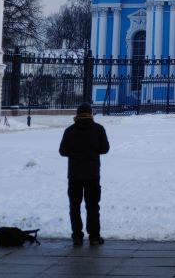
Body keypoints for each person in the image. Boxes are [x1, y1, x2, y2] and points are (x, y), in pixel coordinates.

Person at [59, 102, 110, 246]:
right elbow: (105, 148)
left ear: (77, 114)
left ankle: (77, 236)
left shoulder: (70, 130)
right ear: (91, 113)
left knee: (74, 206)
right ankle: (94, 237)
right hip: (92, 174)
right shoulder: (98, 129)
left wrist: (74, 153)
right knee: (93, 206)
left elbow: (62, 151)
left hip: (74, 175)